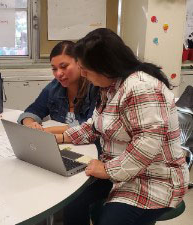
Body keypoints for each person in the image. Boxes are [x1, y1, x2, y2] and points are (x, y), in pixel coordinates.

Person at [54, 28, 189, 225]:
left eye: (86, 69)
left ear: (105, 66)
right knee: (72, 201)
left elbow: (146, 145)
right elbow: (95, 126)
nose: (82, 74)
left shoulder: (141, 88)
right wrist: (62, 137)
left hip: (154, 179)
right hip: (120, 171)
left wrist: (107, 170)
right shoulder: (109, 86)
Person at [17, 41, 99, 134]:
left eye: (64, 66)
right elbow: (33, 110)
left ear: (79, 63)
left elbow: (90, 126)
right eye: (54, 69)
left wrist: (46, 131)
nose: (58, 73)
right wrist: (30, 124)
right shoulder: (54, 87)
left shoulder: (95, 87)